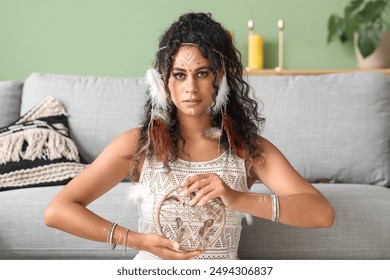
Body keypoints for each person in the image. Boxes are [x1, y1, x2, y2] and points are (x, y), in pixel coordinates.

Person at [44, 12, 335, 260]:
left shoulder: (247, 149)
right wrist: (136, 240)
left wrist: (236, 198)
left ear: (219, 78)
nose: (191, 88)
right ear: (163, 80)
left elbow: (322, 213)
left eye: (202, 73)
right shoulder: (139, 144)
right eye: (180, 74)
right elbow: (58, 210)